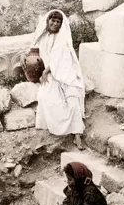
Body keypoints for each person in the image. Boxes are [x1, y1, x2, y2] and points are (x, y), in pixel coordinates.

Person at [27, 9, 86, 150]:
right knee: (45, 97)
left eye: (58, 22)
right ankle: (51, 129)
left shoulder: (62, 39)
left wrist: (45, 72)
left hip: (64, 74)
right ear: (47, 21)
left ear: (61, 25)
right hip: (50, 73)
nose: (55, 23)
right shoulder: (43, 37)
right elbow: (34, 52)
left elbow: (58, 61)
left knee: (73, 101)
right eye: (52, 20)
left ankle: (77, 135)